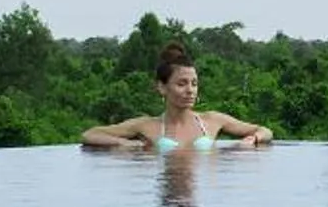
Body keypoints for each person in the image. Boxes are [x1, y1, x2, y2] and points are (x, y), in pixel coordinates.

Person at [81, 42, 274, 151]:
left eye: (194, 83)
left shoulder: (212, 120)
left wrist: (253, 139)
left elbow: (265, 130)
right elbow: (90, 135)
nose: (190, 90)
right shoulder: (147, 125)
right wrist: (128, 144)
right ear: (162, 87)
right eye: (181, 84)